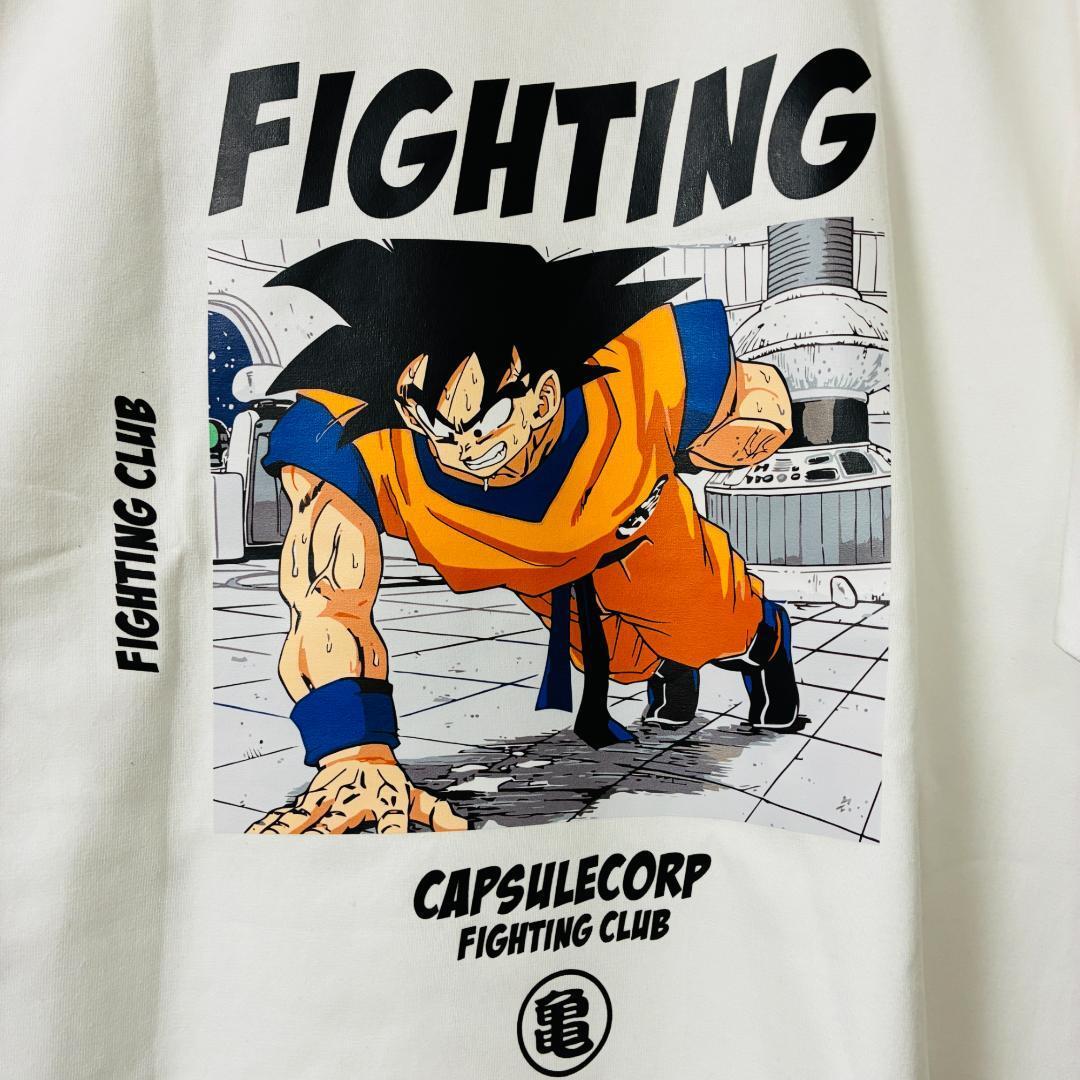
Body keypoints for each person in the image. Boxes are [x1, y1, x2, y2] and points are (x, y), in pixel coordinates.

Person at [247, 240, 799, 835]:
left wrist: (736, 432)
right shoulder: (354, 434)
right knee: (624, 665)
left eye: (478, 422)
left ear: (543, 395)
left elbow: (761, 398)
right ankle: (666, 666)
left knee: (712, 627)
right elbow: (324, 602)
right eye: (431, 426)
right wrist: (353, 752)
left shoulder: (642, 364)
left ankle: (766, 643)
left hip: (643, 538)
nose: (457, 450)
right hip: (541, 577)